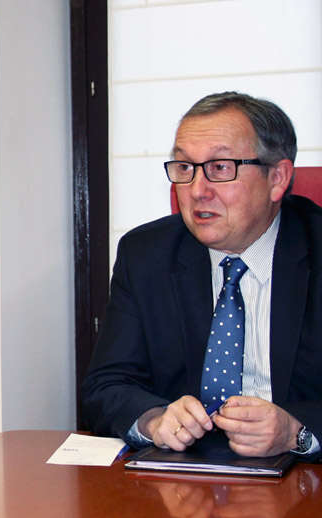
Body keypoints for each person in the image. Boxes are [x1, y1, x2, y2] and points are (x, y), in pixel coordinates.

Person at [82, 91, 322, 459]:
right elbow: (106, 385)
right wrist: (153, 419)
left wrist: (296, 431)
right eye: (184, 168)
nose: (196, 191)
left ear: (278, 178)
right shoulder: (146, 254)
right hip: (181, 487)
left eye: (220, 167)